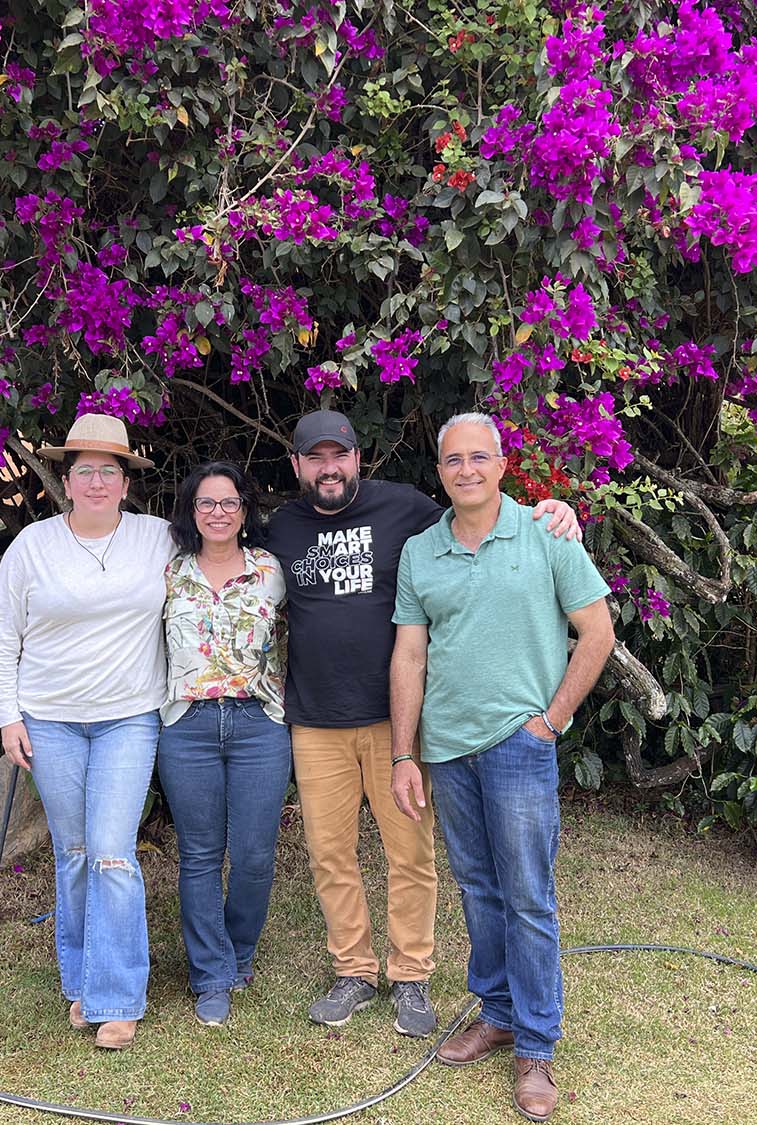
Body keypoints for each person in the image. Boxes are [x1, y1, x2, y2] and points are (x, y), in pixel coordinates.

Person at [265, 409, 582, 1039]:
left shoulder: (405, 508)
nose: (329, 468)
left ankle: (411, 975)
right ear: (297, 464)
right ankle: (353, 970)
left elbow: (478, 514)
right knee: (330, 855)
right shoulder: (281, 527)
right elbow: (215, 540)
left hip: (396, 723)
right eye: (315, 458)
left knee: (409, 853)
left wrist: (553, 511)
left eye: (339, 455)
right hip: (315, 720)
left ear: (358, 458)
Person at [388, 412, 615, 1122]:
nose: (466, 469)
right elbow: (410, 656)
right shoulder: (421, 552)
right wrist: (404, 751)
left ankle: (537, 1045)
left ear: (501, 464)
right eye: (453, 459)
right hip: (447, 747)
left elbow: (598, 632)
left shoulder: (546, 533)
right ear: (440, 471)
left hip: (520, 744)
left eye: (478, 457)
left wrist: (551, 721)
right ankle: (497, 1014)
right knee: (479, 889)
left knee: (527, 896)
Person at [0, 413, 173, 1052]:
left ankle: (116, 997)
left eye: (108, 471)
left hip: (129, 718)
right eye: (84, 471)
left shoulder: (157, 538)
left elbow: (213, 567)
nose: (96, 482)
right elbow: (3, 638)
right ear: (65, 482)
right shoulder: (32, 546)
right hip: (50, 720)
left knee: (112, 850)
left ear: (126, 482)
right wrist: (9, 716)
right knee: (72, 852)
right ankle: (82, 980)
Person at [156, 462, 291, 1028]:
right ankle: (211, 973)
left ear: (244, 509)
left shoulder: (271, 570)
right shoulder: (168, 572)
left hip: (258, 724)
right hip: (187, 726)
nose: (218, 512)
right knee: (200, 854)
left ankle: (239, 952)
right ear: (191, 511)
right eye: (206, 503)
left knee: (255, 854)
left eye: (229, 502)